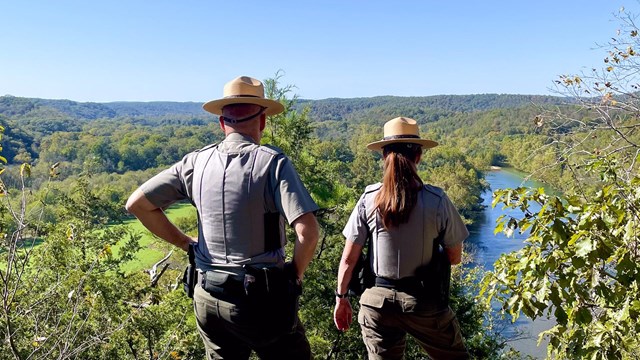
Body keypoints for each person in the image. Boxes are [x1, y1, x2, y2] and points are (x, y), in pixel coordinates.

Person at [126, 76, 319, 360]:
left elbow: (137, 204)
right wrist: (294, 276)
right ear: (263, 121)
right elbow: (308, 233)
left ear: (222, 122)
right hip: (260, 301)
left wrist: (187, 245)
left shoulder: (194, 163)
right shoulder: (272, 163)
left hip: (207, 295)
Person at [333, 117, 470, 360]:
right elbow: (454, 257)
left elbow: (348, 259)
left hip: (376, 303)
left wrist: (341, 299)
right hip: (423, 302)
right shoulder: (436, 200)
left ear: (384, 156)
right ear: (418, 156)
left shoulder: (368, 198)